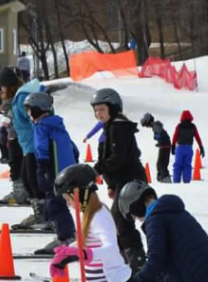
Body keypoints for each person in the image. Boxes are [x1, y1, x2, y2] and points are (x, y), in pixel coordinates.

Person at [49, 164, 135, 282]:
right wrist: (65, 254)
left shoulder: (99, 216)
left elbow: (111, 249)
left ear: (79, 194)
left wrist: (84, 254)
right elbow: (87, 242)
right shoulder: (90, 214)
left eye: (68, 199)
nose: (68, 204)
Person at [90, 88, 147, 268]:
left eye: (102, 109)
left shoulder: (117, 127)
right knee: (119, 220)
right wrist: (111, 184)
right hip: (123, 181)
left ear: (113, 108)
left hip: (131, 181)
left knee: (121, 220)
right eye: (96, 110)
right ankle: (125, 260)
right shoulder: (111, 127)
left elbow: (117, 158)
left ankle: (137, 262)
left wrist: (96, 170)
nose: (98, 113)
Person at [28, 91, 80, 254]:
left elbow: (42, 148)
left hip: (52, 170)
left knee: (55, 204)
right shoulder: (57, 125)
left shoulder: (42, 126)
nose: (28, 114)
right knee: (59, 203)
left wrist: (43, 168)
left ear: (37, 109)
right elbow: (74, 148)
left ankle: (65, 238)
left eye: (29, 109)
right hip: (67, 171)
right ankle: (68, 233)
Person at [10, 74, 46, 230]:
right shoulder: (20, 96)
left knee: (33, 179)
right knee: (26, 178)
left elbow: (34, 119)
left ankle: (44, 215)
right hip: (27, 143)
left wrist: (40, 140)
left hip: (33, 144)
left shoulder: (23, 97)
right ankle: (38, 212)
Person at [0, 67, 29, 206]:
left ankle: (20, 191)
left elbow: (12, 115)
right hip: (20, 135)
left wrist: (4, 126)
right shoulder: (21, 93)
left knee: (16, 162)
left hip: (18, 135)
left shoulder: (16, 98)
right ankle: (24, 190)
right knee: (21, 163)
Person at [170, 110, 203, 183]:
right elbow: (197, 137)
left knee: (177, 165)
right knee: (187, 165)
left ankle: (176, 181)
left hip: (180, 148)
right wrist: (201, 147)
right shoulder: (193, 126)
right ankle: (187, 181)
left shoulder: (179, 126)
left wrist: (173, 146)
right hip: (189, 148)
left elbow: (175, 136)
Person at [140, 113, 172, 183]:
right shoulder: (155, 125)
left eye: (146, 124)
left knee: (161, 164)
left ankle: (165, 179)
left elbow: (161, 134)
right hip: (164, 145)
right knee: (160, 164)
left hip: (165, 146)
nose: (146, 126)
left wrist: (158, 138)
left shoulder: (155, 125)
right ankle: (162, 177)